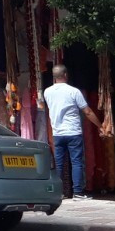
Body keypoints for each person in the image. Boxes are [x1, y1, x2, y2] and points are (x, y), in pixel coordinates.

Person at [42, 64, 103, 199]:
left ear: (54, 77)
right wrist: (100, 125)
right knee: (76, 162)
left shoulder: (47, 92)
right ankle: (77, 192)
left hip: (57, 133)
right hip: (73, 131)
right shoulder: (74, 91)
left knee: (58, 163)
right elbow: (87, 111)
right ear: (66, 75)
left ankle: (59, 192)